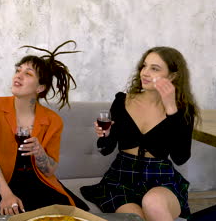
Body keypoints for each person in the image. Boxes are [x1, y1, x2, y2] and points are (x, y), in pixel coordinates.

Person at [80, 46, 199, 220]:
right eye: (144, 66)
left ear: (172, 76)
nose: (145, 72)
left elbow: (180, 158)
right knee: (133, 217)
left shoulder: (182, 111)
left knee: (154, 204)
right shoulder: (122, 101)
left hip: (160, 178)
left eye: (154, 68)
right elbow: (106, 149)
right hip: (122, 177)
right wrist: (104, 136)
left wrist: (171, 109)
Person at [0, 41, 89, 215]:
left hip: (38, 181)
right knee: (18, 213)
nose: (18, 76)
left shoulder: (53, 120)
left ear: (40, 87)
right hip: (2, 184)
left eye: (28, 73)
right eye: (18, 70)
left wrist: (40, 153)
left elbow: (49, 170)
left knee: (71, 214)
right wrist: (7, 195)